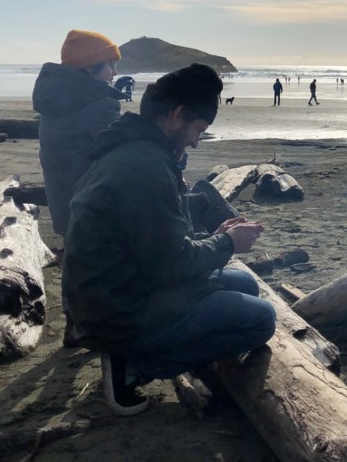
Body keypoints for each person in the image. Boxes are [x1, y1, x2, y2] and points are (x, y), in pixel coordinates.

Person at [63, 64, 276, 415]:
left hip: (118, 287)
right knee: (261, 319)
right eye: (198, 129)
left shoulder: (136, 149)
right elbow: (171, 263)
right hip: (117, 309)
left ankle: (161, 348)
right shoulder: (145, 167)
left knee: (245, 284)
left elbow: (159, 240)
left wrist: (216, 236)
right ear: (177, 115)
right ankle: (133, 367)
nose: (195, 140)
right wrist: (227, 244)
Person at [33, 30, 123, 240]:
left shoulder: (55, 99)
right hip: (93, 211)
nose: (114, 73)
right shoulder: (100, 104)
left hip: (63, 207)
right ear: (91, 67)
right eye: (111, 65)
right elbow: (121, 151)